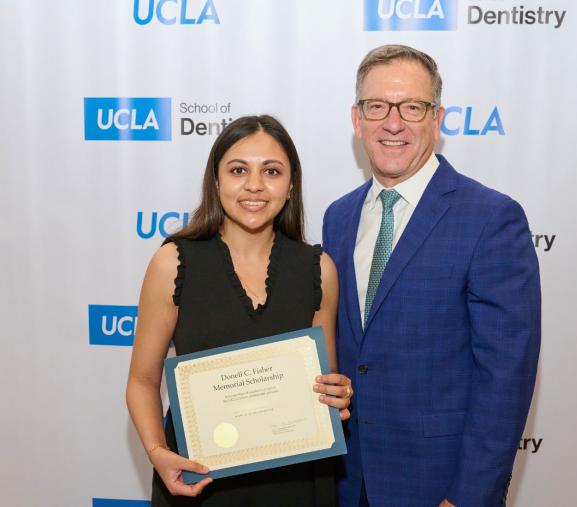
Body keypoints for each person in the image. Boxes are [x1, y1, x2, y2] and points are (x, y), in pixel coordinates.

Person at [322, 45, 541, 507]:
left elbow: (505, 376)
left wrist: (468, 496)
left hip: (438, 488)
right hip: (346, 481)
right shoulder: (337, 218)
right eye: (376, 106)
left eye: (412, 107)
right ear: (357, 118)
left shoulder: (491, 218)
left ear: (437, 119)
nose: (393, 122)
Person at [126, 115, 353, 506]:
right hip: (199, 480)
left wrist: (337, 395)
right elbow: (142, 381)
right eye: (237, 170)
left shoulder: (319, 270)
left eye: (271, 171)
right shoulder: (172, 264)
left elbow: (323, 384)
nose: (254, 185)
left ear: (291, 183)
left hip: (297, 484)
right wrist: (156, 452)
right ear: (216, 182)